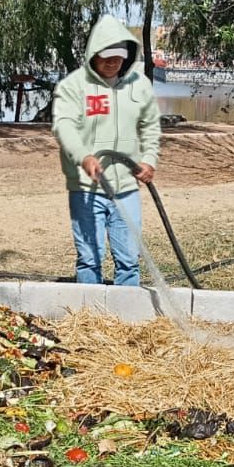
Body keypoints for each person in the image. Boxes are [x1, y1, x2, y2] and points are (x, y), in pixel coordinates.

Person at [51, 15, 162, 286]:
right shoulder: (73, 86)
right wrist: (84, 157)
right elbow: (64, 127)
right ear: (93, 54)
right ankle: (90, 316)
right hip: (87, 190)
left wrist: (148, 159)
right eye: (106, 56)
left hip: (126, 188)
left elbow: (150, 127)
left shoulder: (140, 85)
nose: (113, 62)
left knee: (129, 258)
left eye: (119, 56)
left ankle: (125, 317)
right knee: (90, 258)